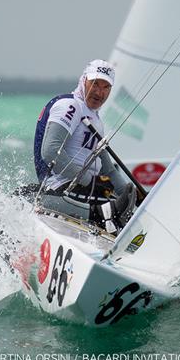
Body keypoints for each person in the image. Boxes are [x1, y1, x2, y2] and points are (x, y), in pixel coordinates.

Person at [33, 59, 134, 233]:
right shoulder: (70, 105)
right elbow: (50, 151)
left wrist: (132, 196)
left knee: (127, 208)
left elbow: (108, 170)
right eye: (95, 84)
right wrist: (89, 180)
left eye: (105, 87)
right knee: (114, 213)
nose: (99, 92)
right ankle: (103, 215)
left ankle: (110, 218)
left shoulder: (95, 119)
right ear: (84, 80)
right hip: (62, 190)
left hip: (86, 190)